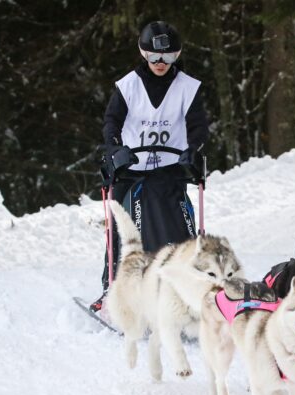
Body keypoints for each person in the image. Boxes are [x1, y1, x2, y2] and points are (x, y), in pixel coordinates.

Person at [90, 20, 209, 314]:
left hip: (170, 169)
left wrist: (193, 150)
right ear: (143, 54)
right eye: (155, 56)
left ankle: (188, 288)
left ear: (177, 56)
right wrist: (116, 148)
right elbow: (111, 122)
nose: (160, 63)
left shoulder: (187, 87)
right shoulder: (128, 86)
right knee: (122, 227)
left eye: (168, 57)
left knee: (178, 227)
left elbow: (198, 127)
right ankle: (113, 288)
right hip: (130, 170)